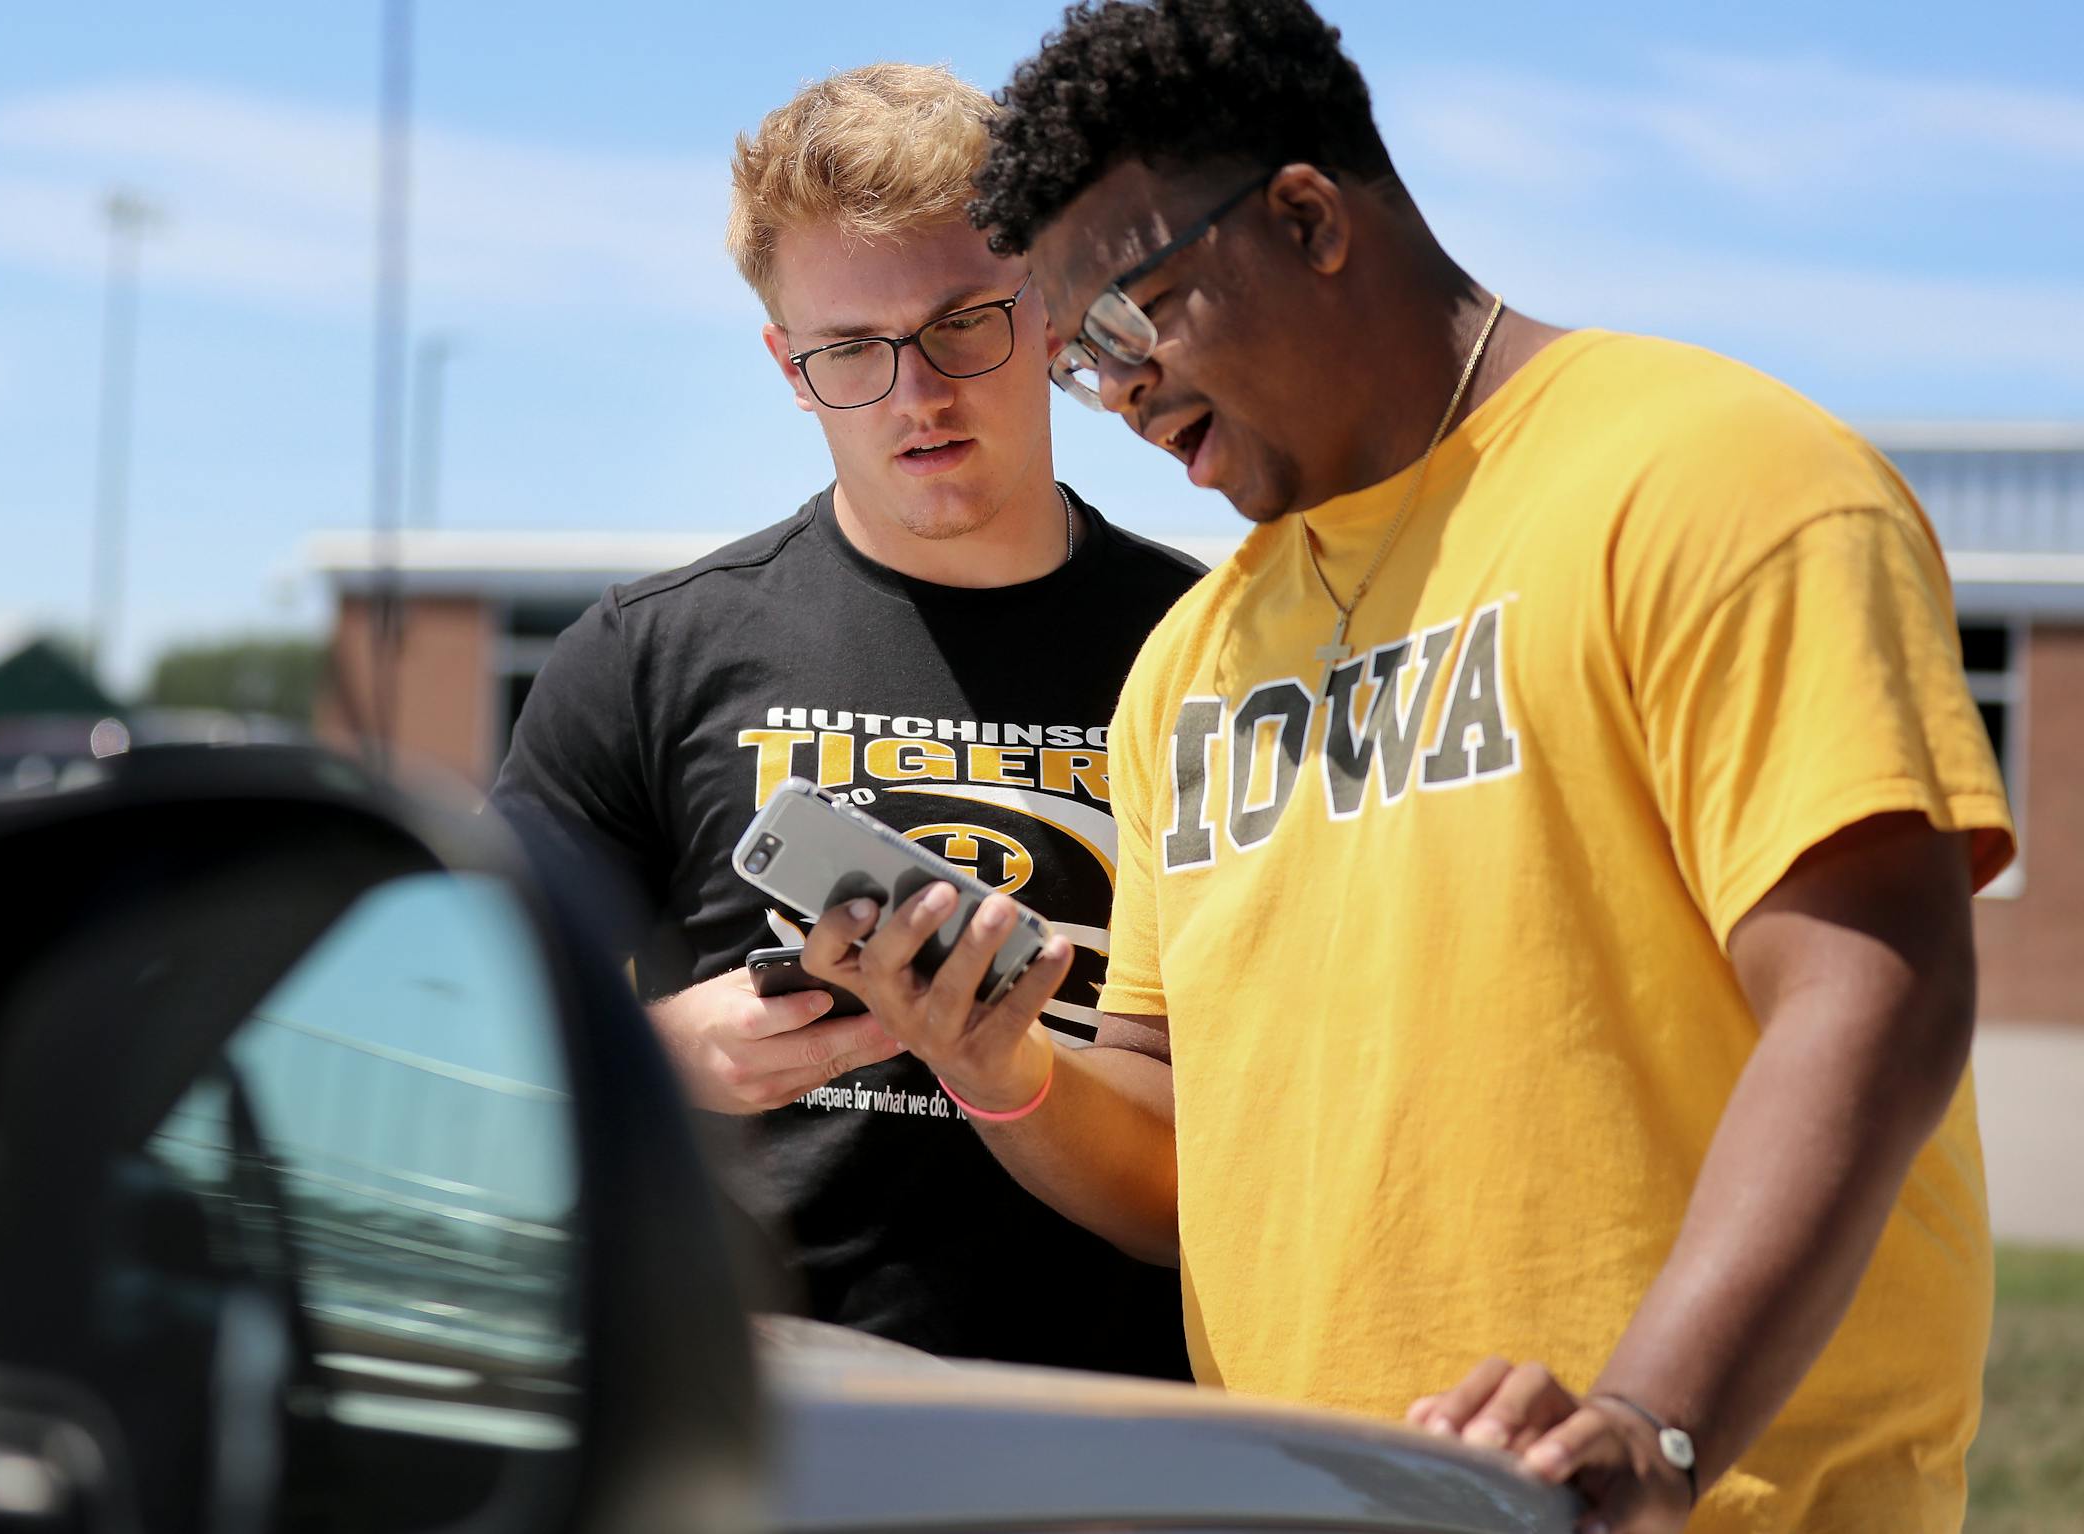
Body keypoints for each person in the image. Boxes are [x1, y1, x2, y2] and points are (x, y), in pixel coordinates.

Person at [796, 3, 2015, 1529]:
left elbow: (1876, 997)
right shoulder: (1192, 660)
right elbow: (1189, 1156)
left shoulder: (1716, 481)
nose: (1115, 393)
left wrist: (1654, 1425)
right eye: (1075, 358)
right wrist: (997, 1060)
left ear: (1307, 219)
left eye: (1126, 319)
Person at [490, 63, 1201, 1378]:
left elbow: (1249, 1133)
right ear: (788, 366)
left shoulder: (1210, 648)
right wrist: (665, 1053)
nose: (915, 393)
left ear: (1047, 310)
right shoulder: (648, 657)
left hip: (1118, 1449)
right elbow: (463, 1033)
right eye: (850, 351)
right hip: (766, 1432)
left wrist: (1009, 1057)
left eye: (961, 326)